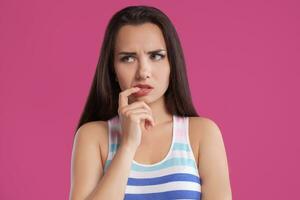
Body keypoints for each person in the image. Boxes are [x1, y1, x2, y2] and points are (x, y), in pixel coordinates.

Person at [69, 5, 232, 200]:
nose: (143, 72)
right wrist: (128, 145)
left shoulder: (202, 133)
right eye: (128, 58)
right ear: (112, 69)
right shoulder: (93, 137)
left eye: (156, 56)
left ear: (172, 63)